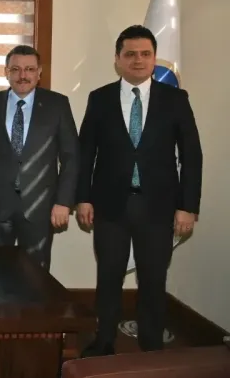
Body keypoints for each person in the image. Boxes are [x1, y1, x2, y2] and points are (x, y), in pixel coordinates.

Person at [77, 25, 202, 355]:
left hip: (159, 208)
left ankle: (151, 346)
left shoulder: (175, 99)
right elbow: (85, 152)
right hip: (109, 207)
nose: (138, 60)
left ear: (154, 58)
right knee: (108, 277)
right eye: (130, 54)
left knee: (153, 280)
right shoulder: (100, 98)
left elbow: (191, 155)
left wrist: (187, 206)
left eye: (145, 54)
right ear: (117, 59)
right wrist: (82, 198)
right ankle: (104, 341)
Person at [0, 45, 79, 270]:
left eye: (29, 69)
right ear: (6, 72)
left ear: (39, 72)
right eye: (16, 69)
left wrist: (63, 201)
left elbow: (71, 156)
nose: (23, 75)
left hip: (40, 206)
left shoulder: (57, 105)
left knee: (36, 275)